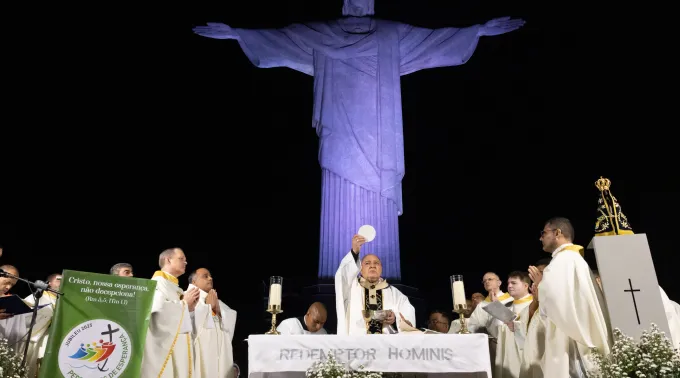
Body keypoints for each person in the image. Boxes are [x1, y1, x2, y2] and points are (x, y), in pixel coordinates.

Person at [193, 0, 524, 280]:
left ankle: (382, 278)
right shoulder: (323, 33)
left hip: (380, 136)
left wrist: (476, 31)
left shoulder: (390, 33)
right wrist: (239, 34)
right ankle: (336, 277)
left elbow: (433, 42)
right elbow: (282, 39)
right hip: (339, 132)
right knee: (339, 193)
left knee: (378, 195)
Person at [530, 217, 610, 377]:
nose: (541, 238)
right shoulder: (575, 259)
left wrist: (540, 286)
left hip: (570, 339)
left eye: (543, 233)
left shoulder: (561, 261)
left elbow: (552, 302)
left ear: (557, 233)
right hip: (581, 332)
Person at [335, 234, 416, 335]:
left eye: (376, 263)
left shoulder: (395, 294)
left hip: (386, 347)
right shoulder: (350, 288)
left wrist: (395, 319)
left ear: (381, 269)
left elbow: (408, 318)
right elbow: (342, 275)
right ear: (360, 268)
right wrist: (354, 252)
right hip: (356, 345)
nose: (372, 266)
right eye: (367, 263)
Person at [141, 248, 200, 378]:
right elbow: (157, 313)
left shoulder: (173, 286)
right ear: (168, 260)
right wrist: (184, 304)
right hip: (166, 349)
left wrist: (189, 308)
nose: (186, 262)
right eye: (181, 258)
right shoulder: (158, 282)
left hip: (178, 346)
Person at [188, 268, 237, 378]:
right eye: (205, 276)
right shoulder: (187, 298)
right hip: (200, 355)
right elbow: (188, 326)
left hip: (219, 355)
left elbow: (230, 318)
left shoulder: (217, 301)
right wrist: (208, 308)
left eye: (210, 276)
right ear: (194, 282)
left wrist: (218, 310)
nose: (210, 278)